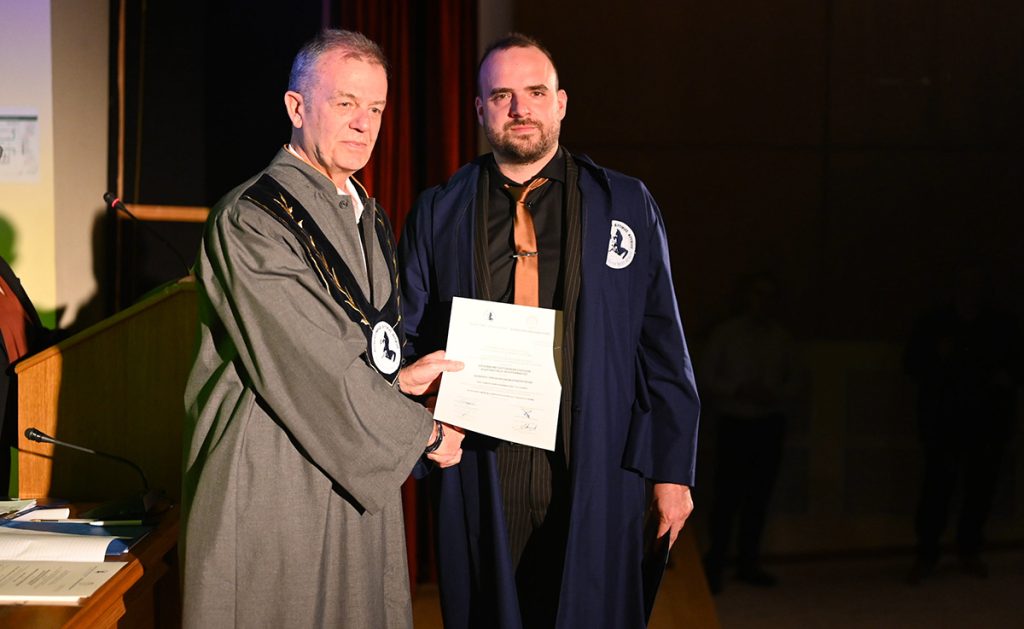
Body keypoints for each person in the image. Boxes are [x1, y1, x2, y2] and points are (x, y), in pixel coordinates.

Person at [399, 33, 700, 629]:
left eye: (536, 92)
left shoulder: (626, 205)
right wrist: (423, 428)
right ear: (480, 109)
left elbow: (663, 346)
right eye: (502, 95)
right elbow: (406, 337)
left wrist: (672, 470)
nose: (520, 108)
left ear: (561, 103)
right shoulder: (438, 211)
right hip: (481, 459)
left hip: (598, 456)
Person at [181, 30, 465, 628]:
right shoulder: (252, 218)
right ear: (296, 107)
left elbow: (355, 342)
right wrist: (424, 434)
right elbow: (313, 365)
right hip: (276, 482)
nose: (364, 124)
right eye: (345, 103)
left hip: (351, 470)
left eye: (376, 109)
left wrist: (399, 380)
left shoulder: (367, 214)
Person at [904, 267, 1021, 583]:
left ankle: (969, 548)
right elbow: (912, 364)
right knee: (937, 488)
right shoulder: (934, 324)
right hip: (944, 420)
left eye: (977, 285)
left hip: (987, 421)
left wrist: (1007, 378)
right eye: (966, 284)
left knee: (979, 489)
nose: (971, 291)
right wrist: (937, 358)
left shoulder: (1002, 326)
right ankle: (927, 553)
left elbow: (1016, 366)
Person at [699, 274, 801, 593]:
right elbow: (705, 376)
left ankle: (749, 562)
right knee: (726, 496)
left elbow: (796, 379)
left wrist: (775, 394)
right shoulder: (726, 334)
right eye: (757, 295)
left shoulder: (781, 337)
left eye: (769, 296)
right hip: (734, 423)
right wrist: (738, 390)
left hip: (768, 424)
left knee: (760, 496)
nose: (763, 302)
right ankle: (715, 563)